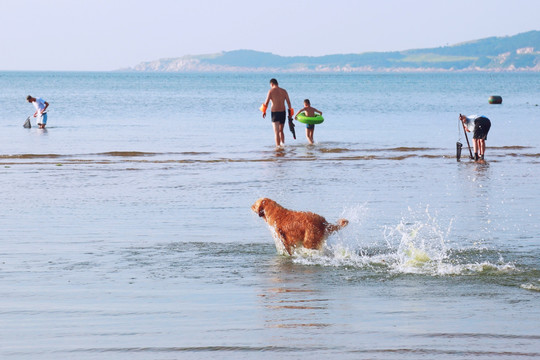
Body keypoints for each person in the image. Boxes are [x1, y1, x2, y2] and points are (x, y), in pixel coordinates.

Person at [261, 79, 292, 147]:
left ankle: (278, 147)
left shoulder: (271, 91)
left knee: (276, 132)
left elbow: (266, 103)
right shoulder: (284, 91)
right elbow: (289, 102)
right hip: (283, 112)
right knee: (281, 131)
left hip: (275, 113)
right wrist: (290, 113)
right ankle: (282, 145)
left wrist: (264, 111)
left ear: (271, 84)